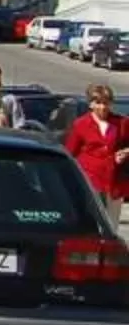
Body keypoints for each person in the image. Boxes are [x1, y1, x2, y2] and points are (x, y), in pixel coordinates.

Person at [63, 85, 127, 229]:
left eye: (106, 103)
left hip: (114, 180)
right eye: (98, 103)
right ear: (91, 104)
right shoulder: (81, 124)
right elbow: (70, 153)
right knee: (93, 222)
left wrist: (125, 153)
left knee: (112, 224)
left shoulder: (122, 123)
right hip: (91, 178)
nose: (102, 107)